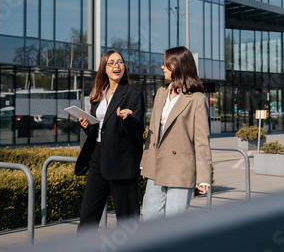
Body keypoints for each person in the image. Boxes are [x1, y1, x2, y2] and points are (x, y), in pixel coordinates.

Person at [75, 50, 145, 231]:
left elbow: (138, 133)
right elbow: (101, 128)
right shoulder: (99, 93)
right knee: (88, 217)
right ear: (104, 68)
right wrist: (87, 126)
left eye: (120, 62)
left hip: (122, 161)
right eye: (111, 63)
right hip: (98, 157)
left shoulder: (133, 94)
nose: (116, 66)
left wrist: (128, 119)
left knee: (127, 220)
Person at [140, 46, 212, 221]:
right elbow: (153, 131)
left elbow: (201, 140)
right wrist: (145, 161)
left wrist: (203, 177)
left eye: (166, 64)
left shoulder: (196, 99)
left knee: (174, 222)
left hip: (181, 169)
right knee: (150, 217)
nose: (162, 67)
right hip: (156, 166)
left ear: (178, 66)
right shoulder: (161, 92)